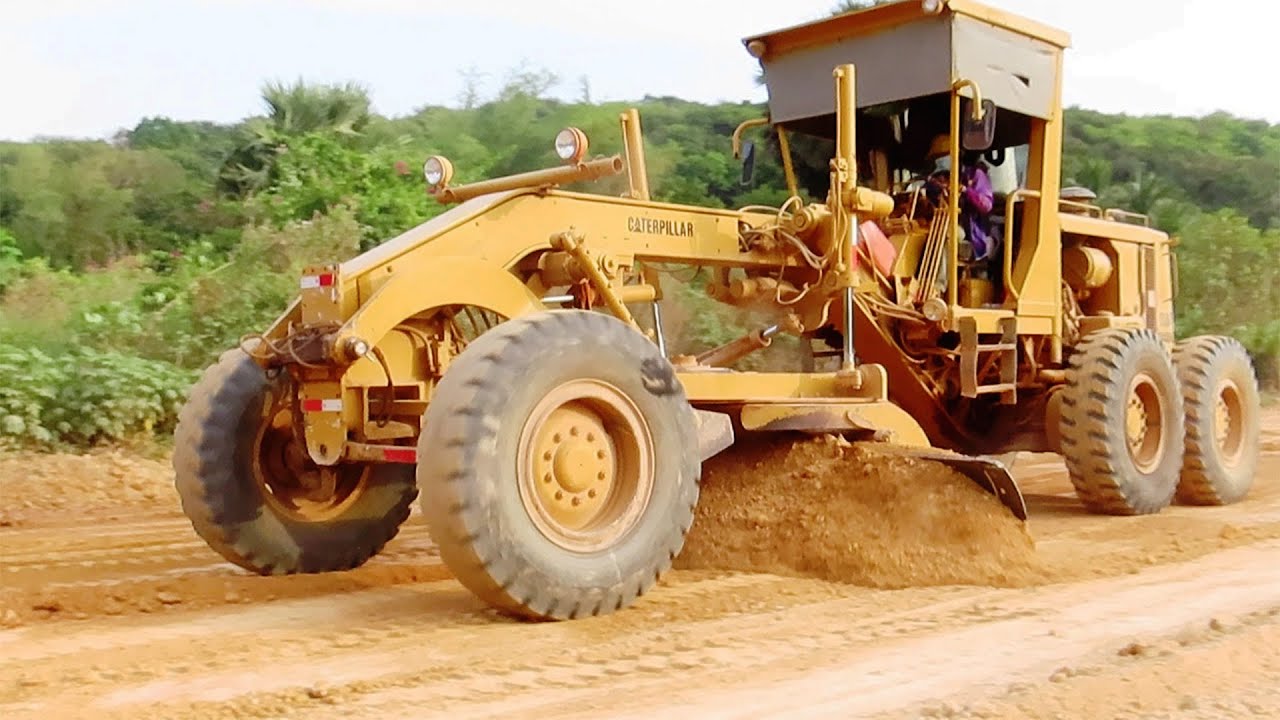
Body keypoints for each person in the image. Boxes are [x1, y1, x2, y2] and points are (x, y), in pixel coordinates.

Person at [923, 135, 997, 262]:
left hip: (970, 232)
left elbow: (986, 205)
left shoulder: (976, 175)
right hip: (941, 221)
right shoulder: (940, 179)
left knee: (945, 234)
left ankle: (941, 280)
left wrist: (966, 191)